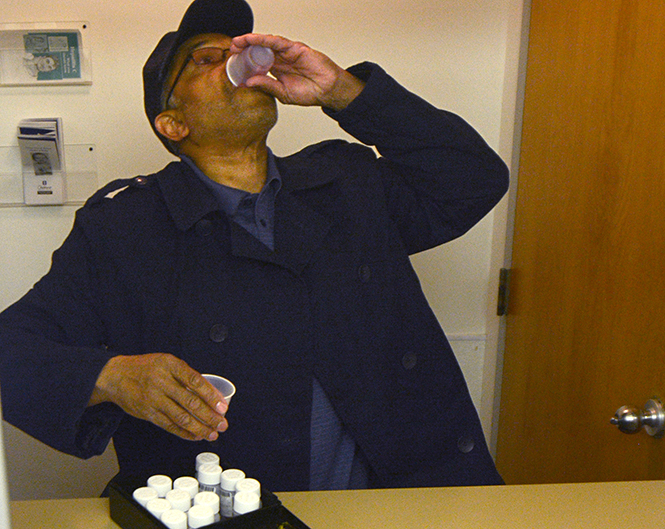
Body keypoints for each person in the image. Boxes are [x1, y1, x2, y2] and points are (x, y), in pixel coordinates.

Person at [0, 0, 509, 492]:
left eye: (236, 51)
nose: (237, 64)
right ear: (173, 123)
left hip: (407, 496)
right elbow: (12, 349)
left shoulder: (347, 181)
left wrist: (343, 90)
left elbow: (474, 179)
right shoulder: (124, 228)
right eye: (206, 59)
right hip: (235, 509)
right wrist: (112, 377)